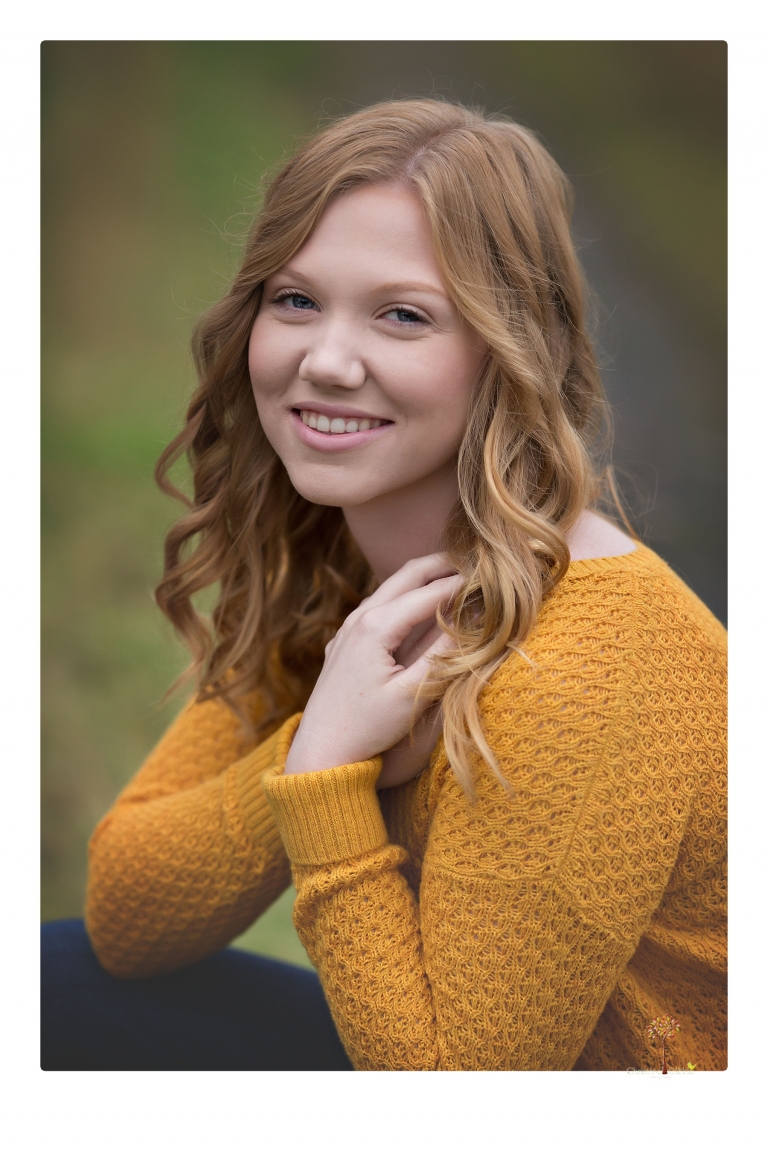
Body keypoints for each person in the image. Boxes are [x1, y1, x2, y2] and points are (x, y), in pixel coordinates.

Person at [41, 99, 727, 1072]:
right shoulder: (328, 563)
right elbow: (122, 917)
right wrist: (323, 740)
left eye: (403, 315)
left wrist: (328, 781)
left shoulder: (580, 664)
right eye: (295, 300)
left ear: (510, 349)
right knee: (53, 984)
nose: (325, 361)